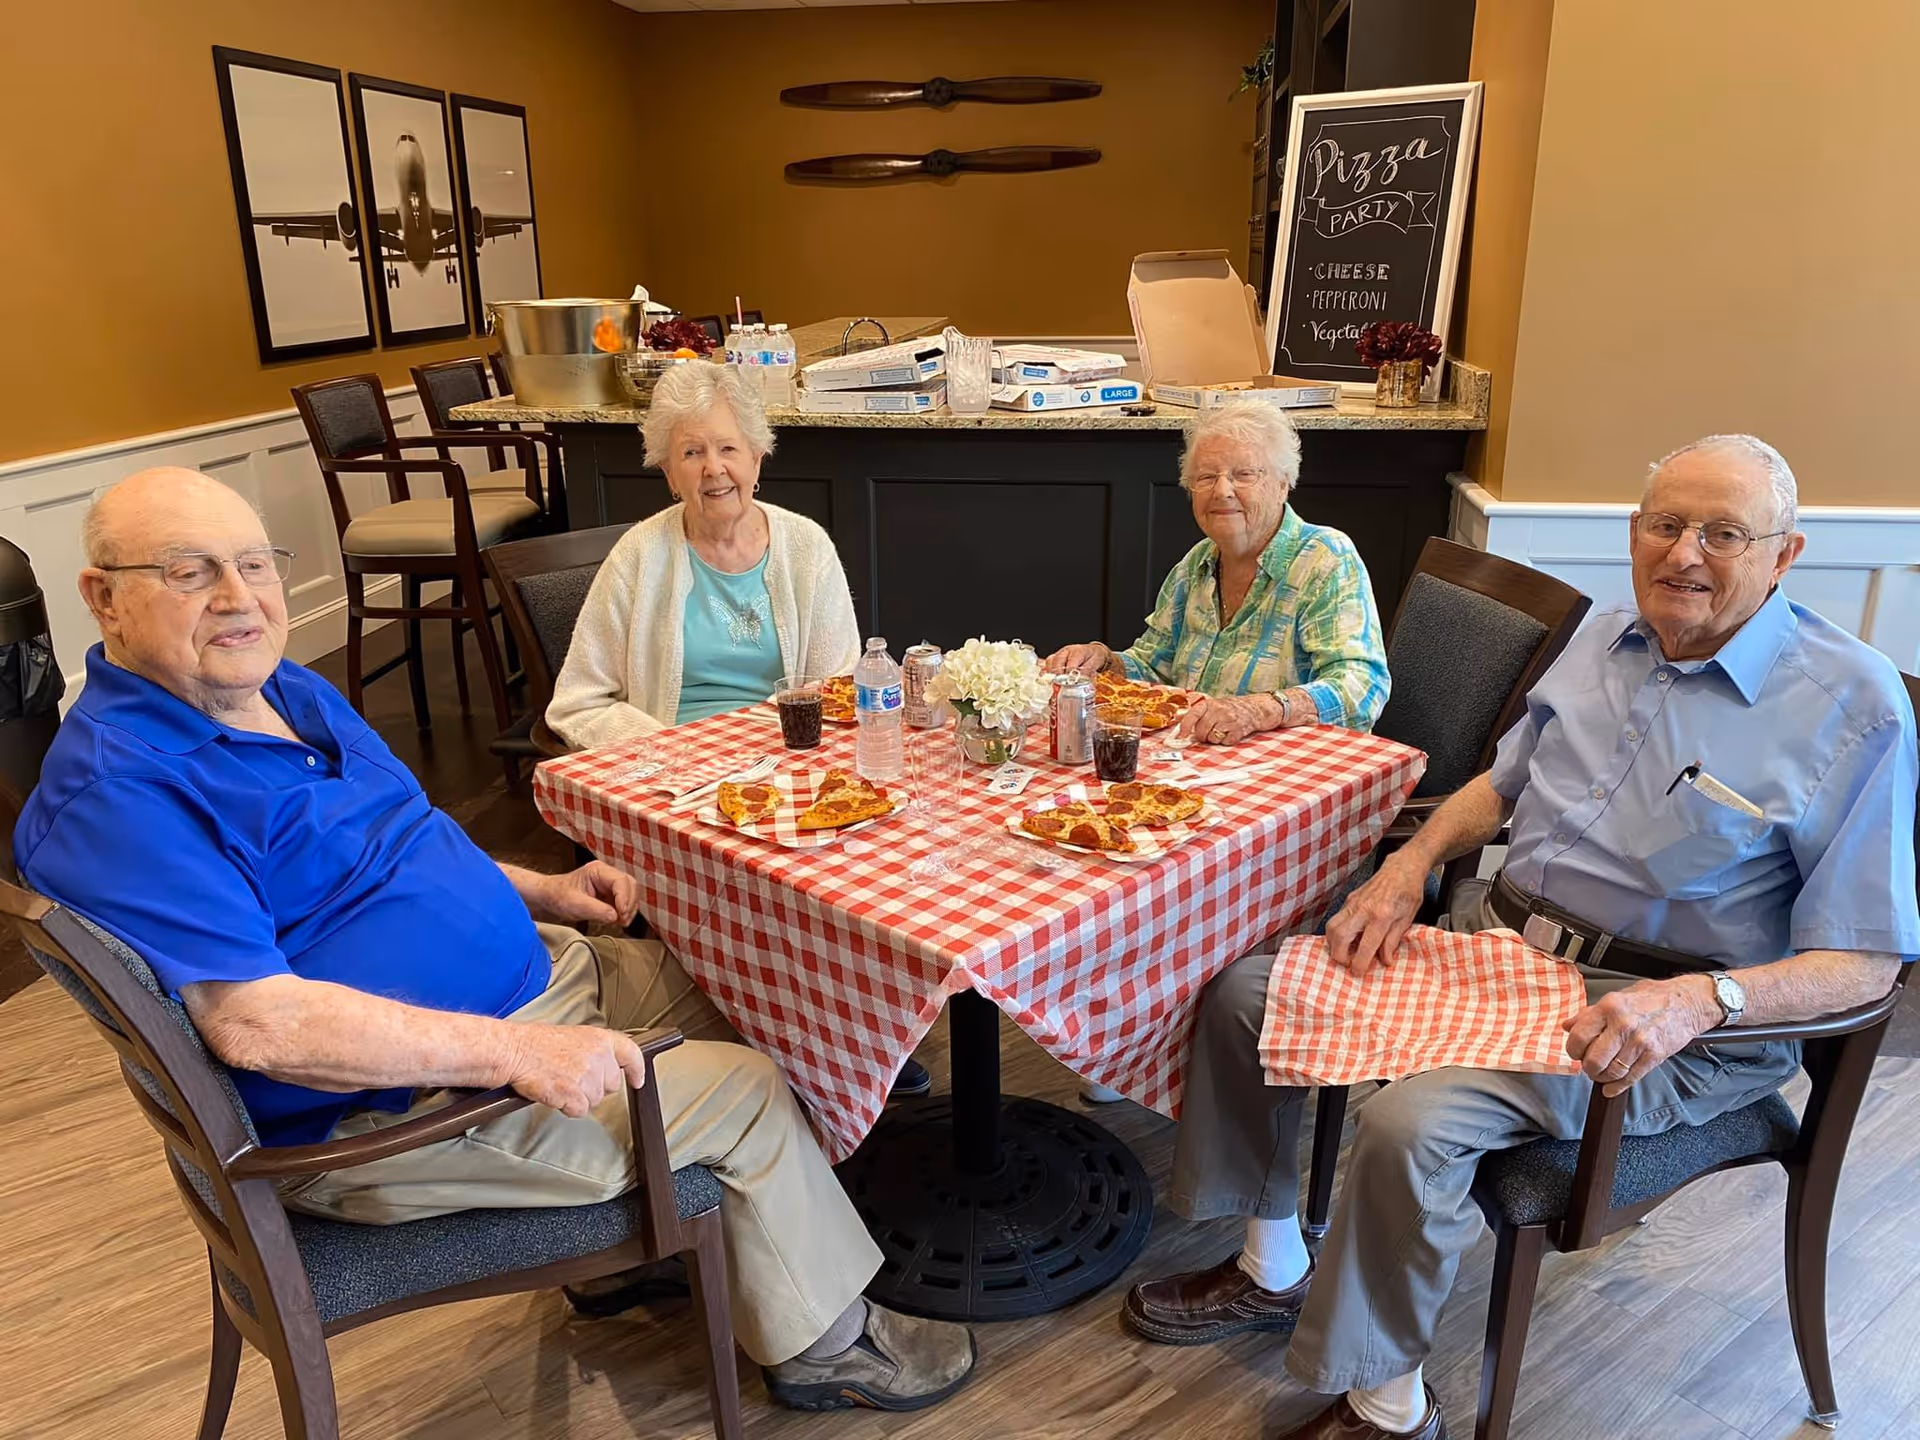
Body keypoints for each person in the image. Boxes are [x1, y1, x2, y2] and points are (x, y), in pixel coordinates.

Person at [14, 467, 974, 1414]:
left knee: (764, 987)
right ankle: (829, 1344)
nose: (239, 599)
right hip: (395, 1113)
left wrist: (544, 887)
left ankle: (641, 1255)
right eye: (189, 572)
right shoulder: (119, 794)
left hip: (530, 984)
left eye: (256, 566)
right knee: (751, 1091)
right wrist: (520, 1050)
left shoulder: (284, 690)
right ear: (103, 598)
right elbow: (260, 1028)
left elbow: (405, 842)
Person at [1121, 434, 1918, 1440]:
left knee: (1410, 1124)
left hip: (1655, 1021)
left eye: (1725, 534)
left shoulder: (1853, 707)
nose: (1686, 555)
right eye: (1667, 526)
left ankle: (1389, 1406)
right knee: (1245, 991)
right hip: (1494, 953)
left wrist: (1699, 1001)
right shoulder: (1604, 640)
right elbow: (1499, 787)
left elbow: (1867, 962)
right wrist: (1408, 868)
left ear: (1786, 555)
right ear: (1634, 535)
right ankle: (1273, 1265)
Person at [546, 363, 861, 745]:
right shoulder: (639, 555)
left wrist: (758, 747)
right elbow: (577, 704)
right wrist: (669, 749)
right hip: (667, 766)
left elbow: (836, 688)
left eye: (728, 448)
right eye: (692, 453)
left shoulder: (807, 547)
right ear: (669, 473)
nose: (714, 468)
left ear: (756, 458)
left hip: (785, 755)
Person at [1044, 402, 1390, 747]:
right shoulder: (1196, 564)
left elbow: (1360, 687)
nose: (1222, 491)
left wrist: (1262, 710)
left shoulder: (1324, 558)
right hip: (1197, 764)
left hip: (1293, 770)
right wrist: (1104, 661)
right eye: (1207, 477)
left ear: (1283, 484)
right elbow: (1154, 667)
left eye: (1244, 474)